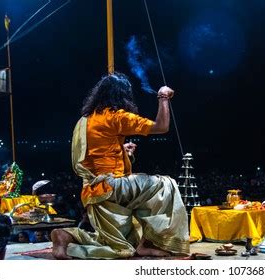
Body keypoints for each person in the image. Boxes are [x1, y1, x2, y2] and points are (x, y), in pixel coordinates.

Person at [51, 72, 189, 259]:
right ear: (122, 95)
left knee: (117, 244)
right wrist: (163, 97)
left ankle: (66, 235)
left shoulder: (86, 119)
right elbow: (161, 126)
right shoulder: (116, 116)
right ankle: (148, 244)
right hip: (113, 186)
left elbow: (96, 154)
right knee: (165, 185)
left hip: (93, 190)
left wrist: (122, 150)